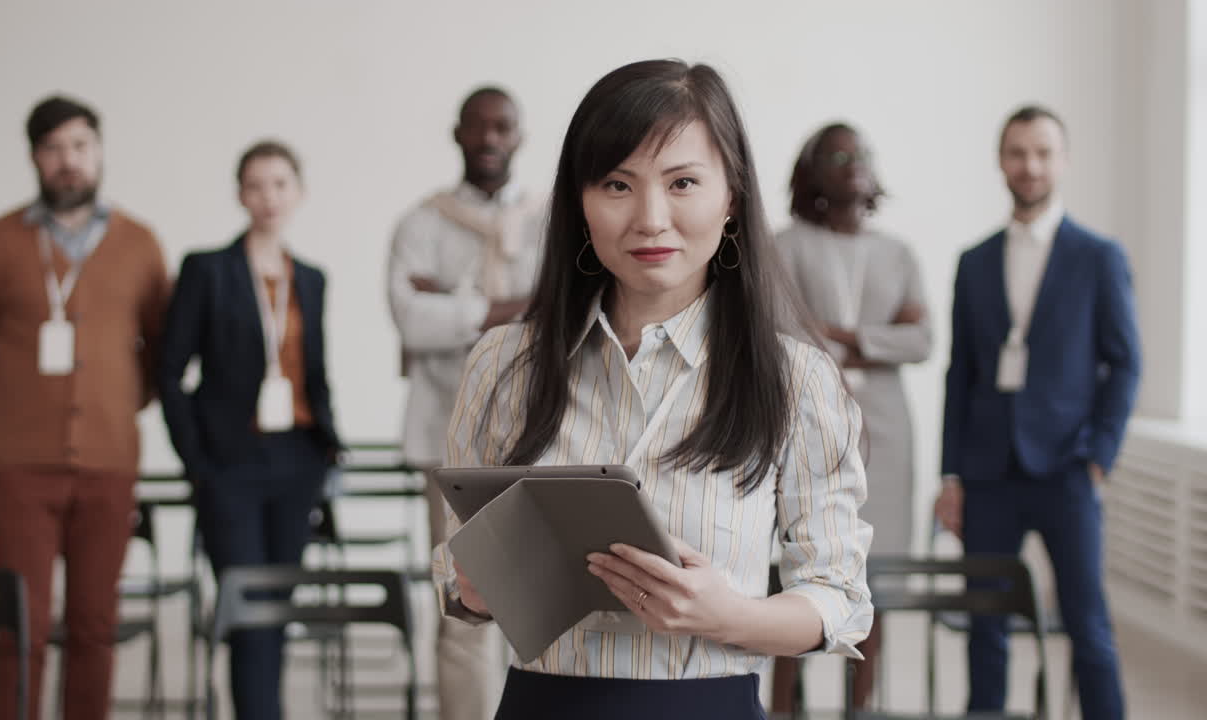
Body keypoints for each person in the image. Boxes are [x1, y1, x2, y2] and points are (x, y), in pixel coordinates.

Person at [431, 59, 873, 720]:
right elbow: (451, 574)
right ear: (579, 202)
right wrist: (473, 586)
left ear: (732, 196)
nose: (650, 218)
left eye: (683, 182)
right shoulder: (503, 364)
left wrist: (730, 616)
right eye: (617, 184)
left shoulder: (795, 381)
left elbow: (840, 595)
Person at [0, 95, 169, 720]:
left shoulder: (141, 244)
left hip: (109, 463)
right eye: (54, 149)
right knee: (23, 622)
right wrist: (14, 412)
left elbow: (160, 355)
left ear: (98, 152)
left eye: (80, 146)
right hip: (19, 466)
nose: (68, 161)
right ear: (35, 158)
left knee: (95, 623)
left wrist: (115, 404)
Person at [935, 105, 1140, 720]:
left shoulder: (1098, 256)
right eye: (1018, 152)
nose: (1030, 165)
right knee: (986, 631)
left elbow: (1125, 363)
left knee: (1088, 626)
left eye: (1043, 152)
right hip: (988, 474)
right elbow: (960, 373)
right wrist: (952, 476)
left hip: (1068, 470)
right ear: (1002, 161)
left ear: (1063, 161)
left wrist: (1099, 457)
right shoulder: (974, 261)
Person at [158, 140, 340, 720]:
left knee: (278, 608)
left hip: (296, 460)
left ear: (299, 192)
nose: (269, 197)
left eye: (280, 184)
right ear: (240, 194)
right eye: (256, 185)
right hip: (229, 463)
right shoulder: (207, 269)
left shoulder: (309, 278)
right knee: (246, 608)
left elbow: (315, 372)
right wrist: (198, 463)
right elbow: (169, 372)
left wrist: (328, 452)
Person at [387, 86, 543, 720]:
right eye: (477, 128)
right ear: (456, 134)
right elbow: (412, 322)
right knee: (465, 607)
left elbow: (568, 312)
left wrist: (453, 302)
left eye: (502, 127)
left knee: (543, 604)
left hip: (541, 440)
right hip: (448, 442)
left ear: (519, 135)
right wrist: (515, 308)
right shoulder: (421, 224)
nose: (489, 139)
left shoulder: (551, 219)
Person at [769, 122, 932, 710]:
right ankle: (785, 705)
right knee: (798, 569)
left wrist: (838, 336)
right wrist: (874, 341)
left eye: (862, 151)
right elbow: (781, 328)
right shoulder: (784, 245)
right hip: (807, 420)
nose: (854, 161)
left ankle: (862, 705)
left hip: (887, 431)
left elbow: (921, 340)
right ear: (812, 170)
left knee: (878, 573)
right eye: (838, 154)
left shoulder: (898, 252)